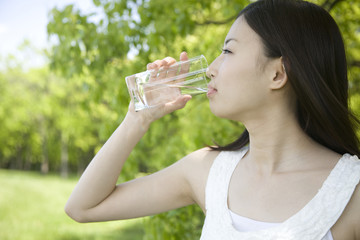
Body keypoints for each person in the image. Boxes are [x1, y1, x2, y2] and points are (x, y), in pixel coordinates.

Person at [64, 0, 360, 239]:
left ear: (278, 73)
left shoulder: (352, 190)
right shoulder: (207, 171)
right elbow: (83, 208)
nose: (210, 69)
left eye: (228, 50)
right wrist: (138, 118)